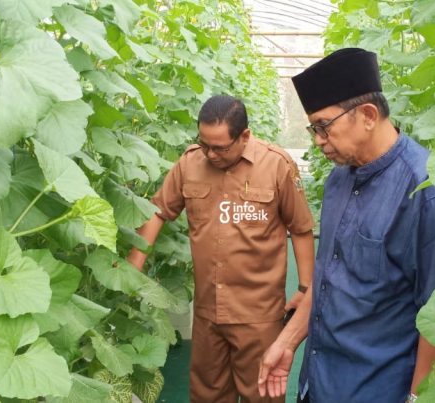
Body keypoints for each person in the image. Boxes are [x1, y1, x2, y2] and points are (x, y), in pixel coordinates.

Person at [257, 48, 435, 403]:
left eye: (323, 126)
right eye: (313, 129)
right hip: (318, 382)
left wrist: (418, 399)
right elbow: (325, 280)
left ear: (368, 115)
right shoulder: (338, 180)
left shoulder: (429, 191)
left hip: (376, 390)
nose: (318, 140)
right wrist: (287, 342)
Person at [127, 95, 315, 403]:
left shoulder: (276, 165)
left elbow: (301, 228)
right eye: (204, 144)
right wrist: (134, 263)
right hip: (207, 311)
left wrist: (305, 287)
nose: (211, 154)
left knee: (262, 394)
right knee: (207, 394)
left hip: (259, 314)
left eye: (220, 147)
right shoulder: (189, 163)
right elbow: (158, 210)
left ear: (244, 136)